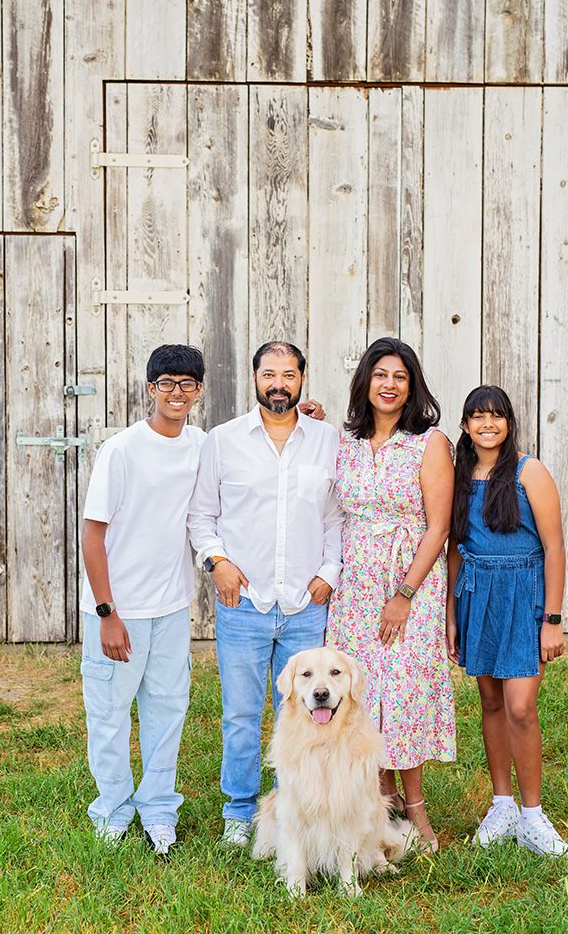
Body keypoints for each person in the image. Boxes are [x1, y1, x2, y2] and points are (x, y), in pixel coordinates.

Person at [187, 340, 342, 847]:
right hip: (244, 603)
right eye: (270, 373)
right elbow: (201, 514)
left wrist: (329, 571)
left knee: (302, 713)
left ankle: (292, 805)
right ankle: (238, 811)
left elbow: (336, 515)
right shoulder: (223, 440)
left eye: (289, 374)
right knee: (241, 712)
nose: (279, 383)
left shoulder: (327, 439)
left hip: (305, 604)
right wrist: (219, 562)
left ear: (302, 379)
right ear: (254, 378)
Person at [326, 336, 456, 852]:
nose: (389, 385)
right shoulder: (344, 439)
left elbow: (439, 526)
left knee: (404, 692)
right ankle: (381, 805)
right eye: (380, 375)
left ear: (412, 386)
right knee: (361, 693)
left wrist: (404, 593)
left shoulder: (429, 443)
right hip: (356, 582)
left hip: (410, 584)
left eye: (400, 377)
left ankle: (416, 806)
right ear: (366, 382)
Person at [80, 344, 207, 855]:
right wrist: (108, 612)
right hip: (118, 609)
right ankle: (112, 809)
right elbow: (92, 535)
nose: (176, 393)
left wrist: (307, 415)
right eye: (166, 384)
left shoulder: (201, 444)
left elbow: (253, 438)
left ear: (198, 392)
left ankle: (158, 810)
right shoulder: (122, 450)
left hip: (172, 607)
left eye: (187, 384)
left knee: (167, 710)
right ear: (150, 389)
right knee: (109, 713)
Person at [446, 385, 568, 858]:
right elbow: (455, 547)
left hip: (524, 594)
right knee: (491, 701)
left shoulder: (528, 470)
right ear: (465, 425)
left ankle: (532, 815)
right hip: (477, 592)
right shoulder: (460, 475)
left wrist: (553, 619)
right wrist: (452, 615)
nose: (487, 424)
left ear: (508, 422)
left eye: (496, 416)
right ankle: (500, 804)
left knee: (520, 705)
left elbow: (555, 547)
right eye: (477, 416)